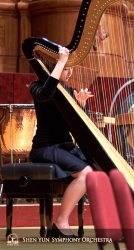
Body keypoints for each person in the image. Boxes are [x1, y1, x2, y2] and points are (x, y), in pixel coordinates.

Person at [29, 46, 94, 238]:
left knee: (97, 168)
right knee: (87, 174)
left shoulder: (69, 92)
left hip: (65, 148)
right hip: (46, 148)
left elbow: (80, 129)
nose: (70, 71)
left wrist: (82, 108)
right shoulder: (37, 87)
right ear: (53, 68)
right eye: (66, 68)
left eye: (69, 67)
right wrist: (60, 61)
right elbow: (46, 94)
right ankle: (61, 221)